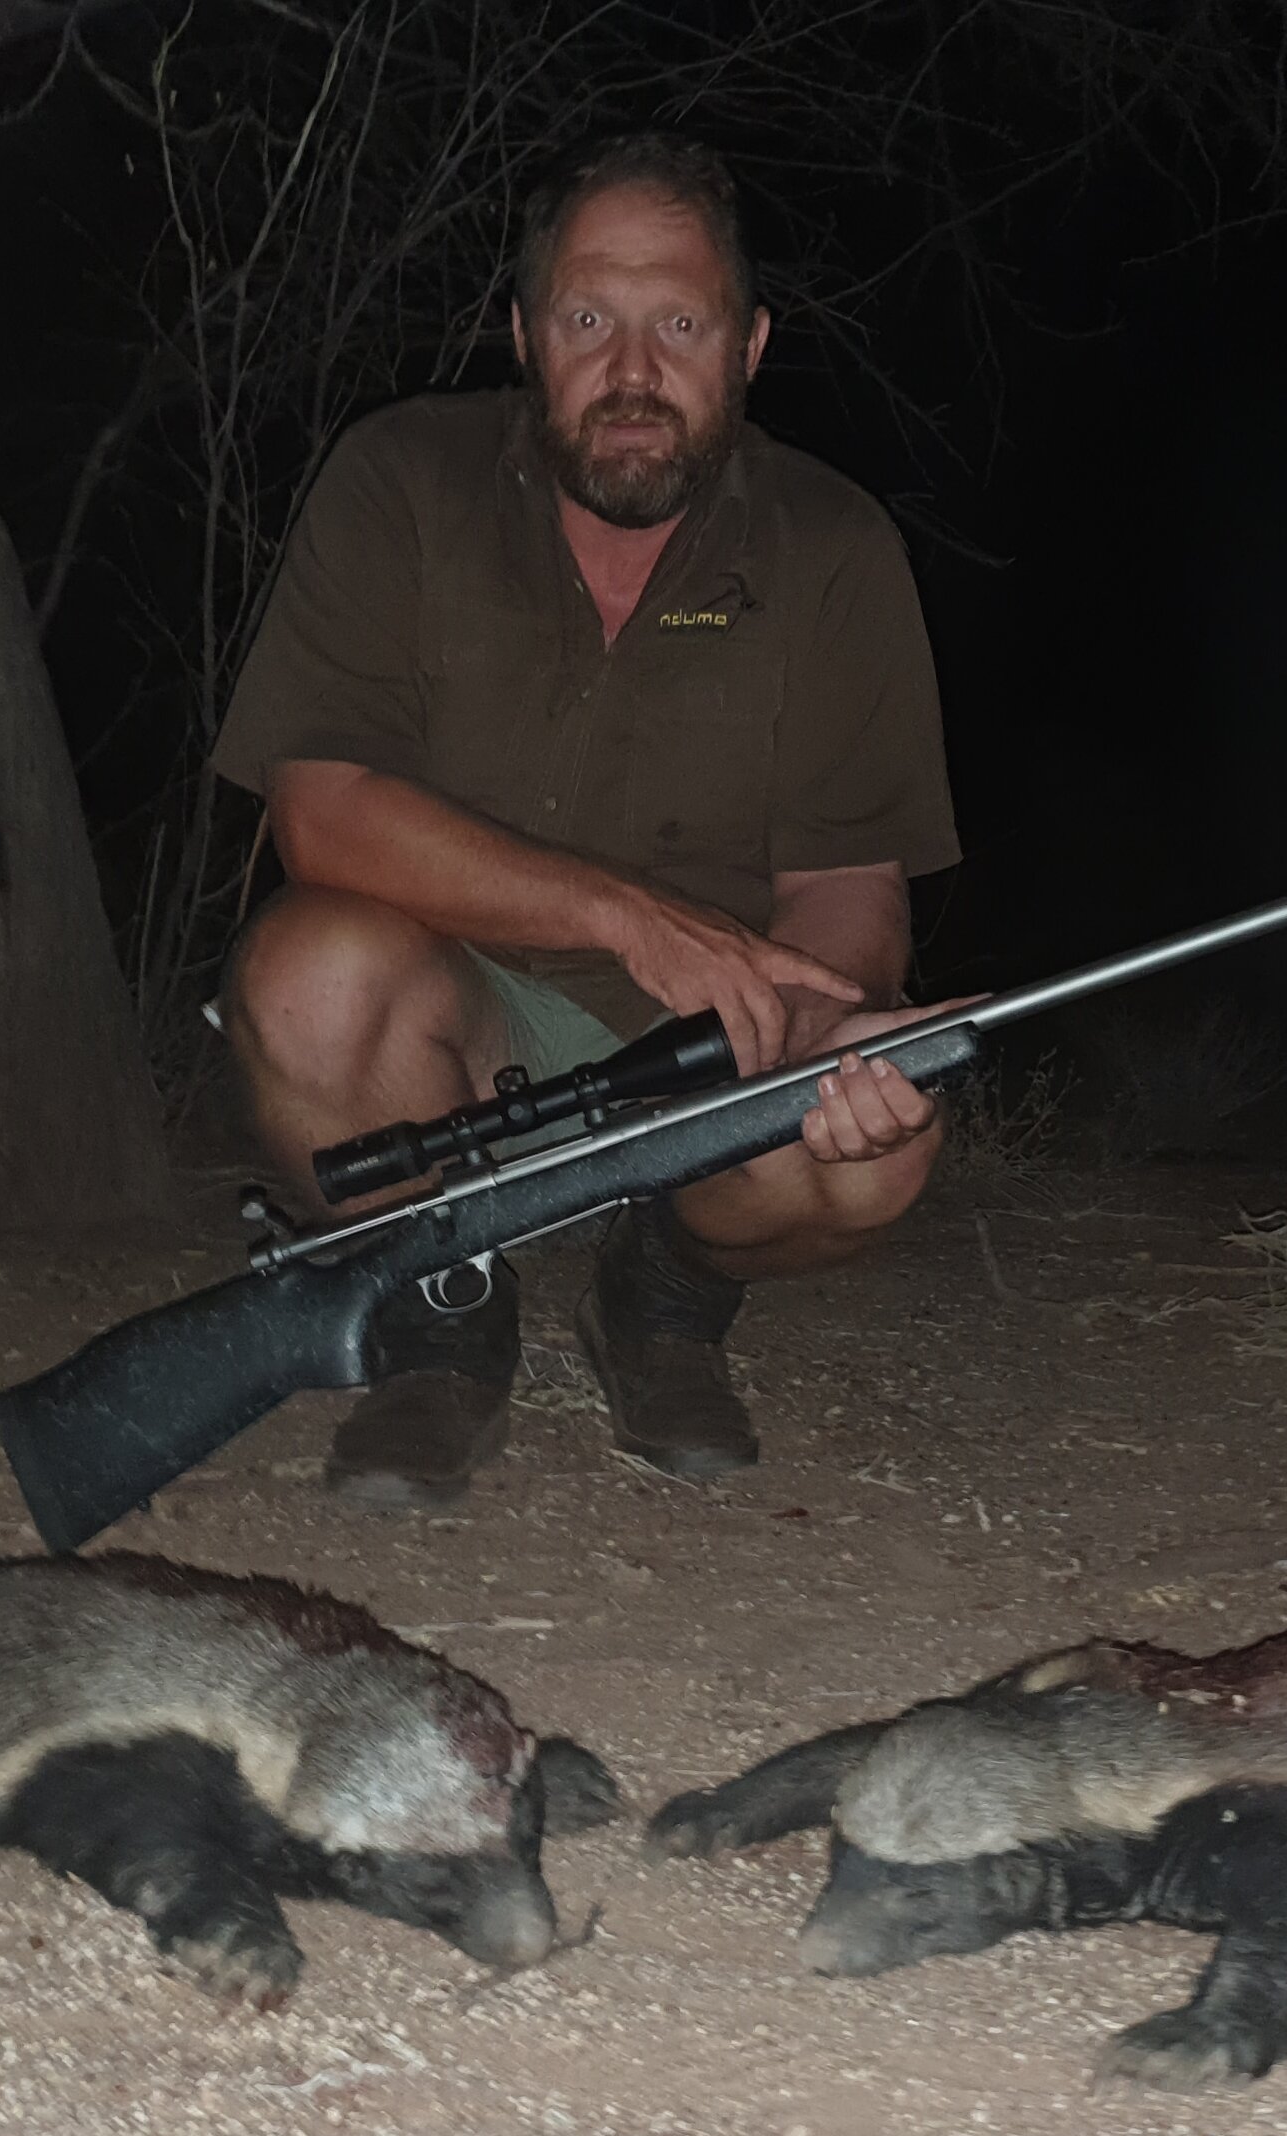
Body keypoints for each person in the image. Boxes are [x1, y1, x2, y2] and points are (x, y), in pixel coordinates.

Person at [212, 132, 963, 1513]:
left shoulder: (836, 546)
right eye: (586, 320)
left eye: (677, 324)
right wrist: (627, 917)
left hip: (708, 1041)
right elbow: (320, 818)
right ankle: (443, 1315)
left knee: (887, 1134)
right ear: (521, 335)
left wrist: (826, 1036)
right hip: (458, 1014)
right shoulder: (398, 480)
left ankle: (663, 1297)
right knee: (302, 976)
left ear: (746, 347)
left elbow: (846, 893)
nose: (631, 374)